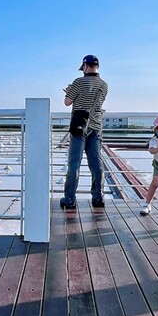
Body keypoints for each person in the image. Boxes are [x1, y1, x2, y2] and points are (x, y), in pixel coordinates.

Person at [60, 54, 108, 209]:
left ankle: (70, 198)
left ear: (85, 66)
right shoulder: (104, 85)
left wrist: (69, 91)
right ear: (97, 67)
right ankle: (98, 197)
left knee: (74, 163)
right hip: (96, 127)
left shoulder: (78, 82)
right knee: (96, 163)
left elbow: (67, 102)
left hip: (79, 127)